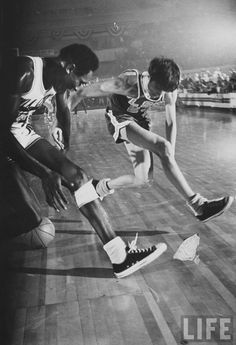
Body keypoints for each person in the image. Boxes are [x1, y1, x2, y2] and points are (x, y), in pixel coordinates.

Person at [0, 44, 167, 279]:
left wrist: (64, 148)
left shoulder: (57, 79)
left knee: (78, 177)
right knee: (29, 222)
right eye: (80, 80)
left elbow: (63, 111)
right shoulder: (24, 72)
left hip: (20, 133)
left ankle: (120, 257)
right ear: (69, 68)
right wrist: (45, 173)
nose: (81, 86)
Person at [68, 57, 234, 222]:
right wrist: (60, 122)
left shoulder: (169, 89)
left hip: (139, 121)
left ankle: (100, 187)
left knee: (143, 178)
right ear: (150, 77)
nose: (160, 94)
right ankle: (198, 205)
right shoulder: (127, 83)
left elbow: (170, 121)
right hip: (119, 118)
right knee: (162, 147)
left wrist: (171, 152)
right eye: (157, 88)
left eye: (164, 91)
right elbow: (81, 92)